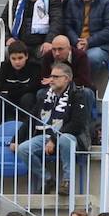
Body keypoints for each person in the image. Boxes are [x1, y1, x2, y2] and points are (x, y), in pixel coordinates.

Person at [10, 61, 90, 193]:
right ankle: (47, 179)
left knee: (65, 139)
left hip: (69, 137)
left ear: (66, 79)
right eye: (51, 76)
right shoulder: (44, 96)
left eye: (55, 77)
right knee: (23, 149)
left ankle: (67, 181)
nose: (51, 80)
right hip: (44, 136)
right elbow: (31, 119)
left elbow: (77, 124)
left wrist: (54, 139)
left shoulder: (78, 95)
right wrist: (15, 139)